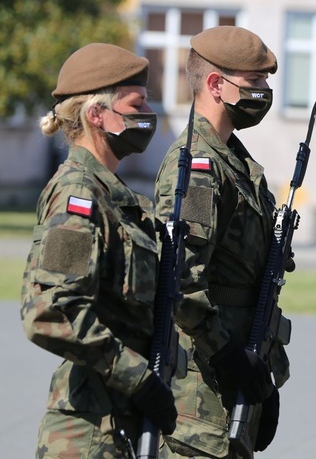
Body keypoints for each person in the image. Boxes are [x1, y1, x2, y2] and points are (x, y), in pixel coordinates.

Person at [20, 43, 177, 457]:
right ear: (96, 114)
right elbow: (51, 310)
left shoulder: (116, 198)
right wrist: (138, 377)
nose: (147, 113)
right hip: (89, 434)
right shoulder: (78, 194)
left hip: (122, 425)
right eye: (136, 102)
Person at [153, 26, 289, 458]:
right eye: (254, 83)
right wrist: (230, 356)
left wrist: (262, 372)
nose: (265, 92)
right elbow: (181, 282)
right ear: (216, 84)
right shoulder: (197, 167)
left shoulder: (235, 161)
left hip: (236, 377)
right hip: (200, 390)